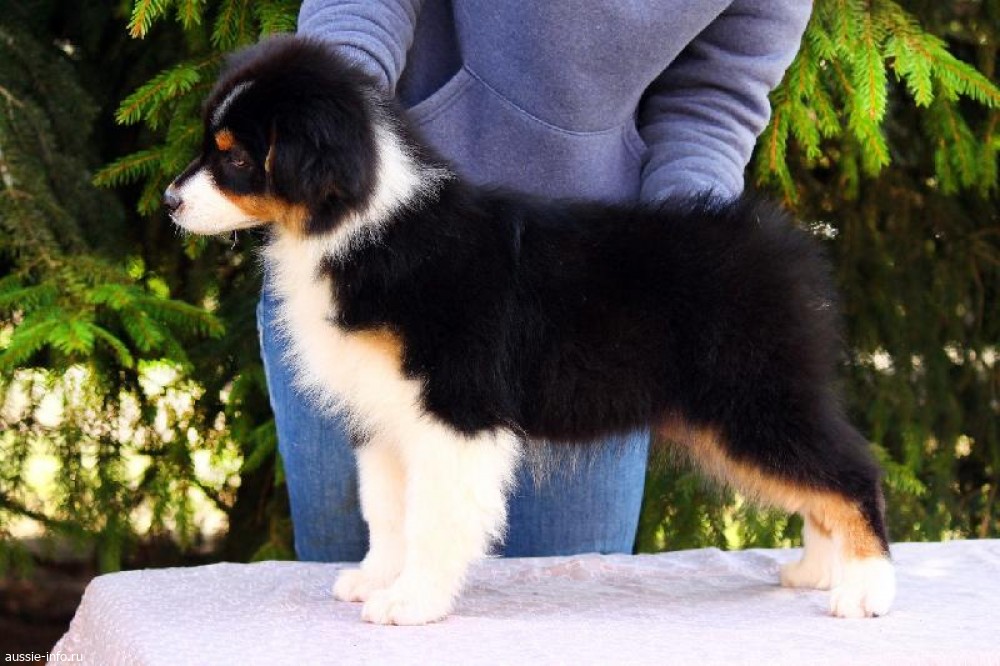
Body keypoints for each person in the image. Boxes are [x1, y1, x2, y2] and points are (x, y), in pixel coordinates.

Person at [257, 0, 814, 562]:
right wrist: (330, 125)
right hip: (376, 265)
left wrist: (679, 274)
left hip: (584, 306)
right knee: (358, 589)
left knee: (563, 594)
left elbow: (712, 98)